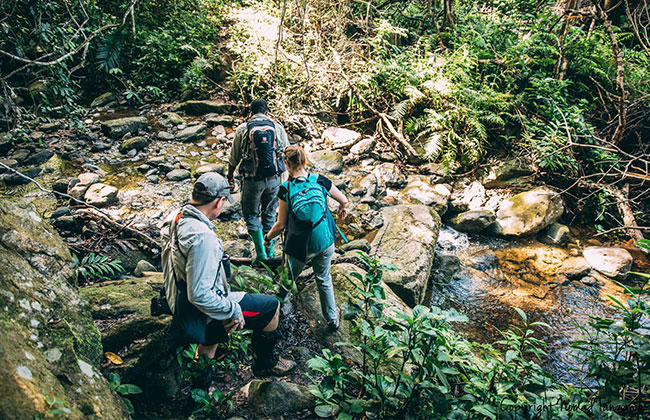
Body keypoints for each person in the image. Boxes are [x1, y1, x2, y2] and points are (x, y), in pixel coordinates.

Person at [162, 172, 296, 378]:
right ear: (219, 202)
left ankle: (200, 394)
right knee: (271, 307)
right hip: (198, 307)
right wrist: (232, 310)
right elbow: (199, 294)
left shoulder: (177, 217)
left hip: (180, 301)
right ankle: (266, 363)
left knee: (209, 341)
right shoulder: (203, 238)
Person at [264, 145, 348, 331]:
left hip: (300, 248)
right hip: (325, 242)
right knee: (324, 279)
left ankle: (276, 307)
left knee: (288, 278)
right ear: (304, 160)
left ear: (286, 163)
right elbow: (343, 200)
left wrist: (267, 238)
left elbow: (280, 225)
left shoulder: (285, 189)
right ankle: (332, 320)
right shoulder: (320, 180)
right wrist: (343, 208)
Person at [227, 98, 289, 263]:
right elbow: (287, 152)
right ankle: (269, 253)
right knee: (269, 214)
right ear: (267, 112)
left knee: (251, 215)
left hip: (252, 180)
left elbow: (234, 157)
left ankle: (260, 253)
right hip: (274, 180)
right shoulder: (277, 128)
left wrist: (230, 175)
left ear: (251, 112)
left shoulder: (243, 129)